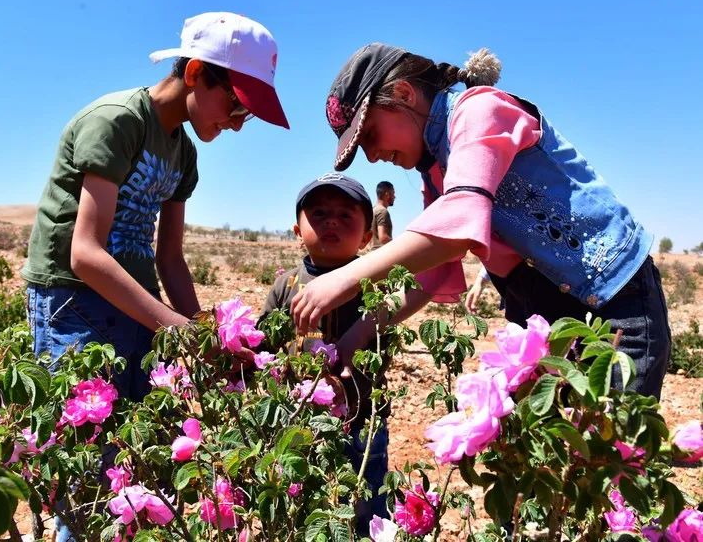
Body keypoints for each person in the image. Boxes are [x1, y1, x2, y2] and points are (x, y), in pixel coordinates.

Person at [292, 43, 670, 399]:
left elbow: (458, 224)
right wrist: (349, 342)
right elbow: (430, 274)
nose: (372, 156)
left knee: (608, 454)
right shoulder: (437, 170)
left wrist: (345, 279)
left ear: (405, 94)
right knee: (557, 459)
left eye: (369, 135)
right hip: (546, 322)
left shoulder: (477, 111)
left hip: (614, 309)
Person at [22, 11, 289, 394]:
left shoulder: (184, 155)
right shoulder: (117, 122)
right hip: (74, 299)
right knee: (83, 439)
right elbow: (85, 254)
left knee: (132, 441)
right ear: (195, 73)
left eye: (245, 114)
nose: (236, 123)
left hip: (137, 301)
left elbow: (170, 259)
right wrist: (183, 333)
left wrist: (203, 331)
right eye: (234, 104)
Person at [260, 173, 387, 534]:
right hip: (297, 423)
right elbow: (264, 341)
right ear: (297, 231)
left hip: (362, 422)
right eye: (318, 213)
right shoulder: (286, 284)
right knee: (304, 508)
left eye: (346, 215)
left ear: (366, 235)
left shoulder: (373, 283)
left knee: (366, 506)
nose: (331, 220)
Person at [371, 180, 394, 249]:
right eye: (393, 193)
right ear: (387, 194)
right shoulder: (382, 211)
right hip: (377, 254)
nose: (394, 197)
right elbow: (383, 238)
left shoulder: (372, 210)